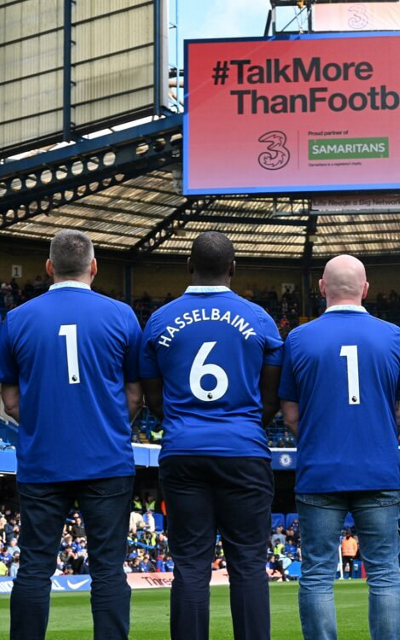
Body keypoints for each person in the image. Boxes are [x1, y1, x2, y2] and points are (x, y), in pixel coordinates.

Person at [0, 230, 144, 640]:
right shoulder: (122, 315)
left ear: (48, 268)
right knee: (109, 569)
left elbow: (9, 401)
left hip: (43, 460)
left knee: (36, 567)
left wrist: (46, 422)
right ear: (94, 267)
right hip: (107, 460)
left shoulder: (18, 318)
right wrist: (108, 425)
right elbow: (134, 395)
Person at [139, 231, 283, 640]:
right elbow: (269, 398)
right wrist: (244, 423)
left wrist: (186, 423)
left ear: (189, 265)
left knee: (189, 565)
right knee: (250, 564)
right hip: (244, 450)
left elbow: (154, 400)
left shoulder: (160, 319)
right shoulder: (259, 319)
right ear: (233, 268)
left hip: (182, 450)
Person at [281, 255, 400, 637]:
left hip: (319, 471)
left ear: (322, 288)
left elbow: (290, 412)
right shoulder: (392, 335)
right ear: (366, 289)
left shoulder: (298, 337)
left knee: (318, 575)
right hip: (378, 468)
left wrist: (313, 440)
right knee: (386, 574)